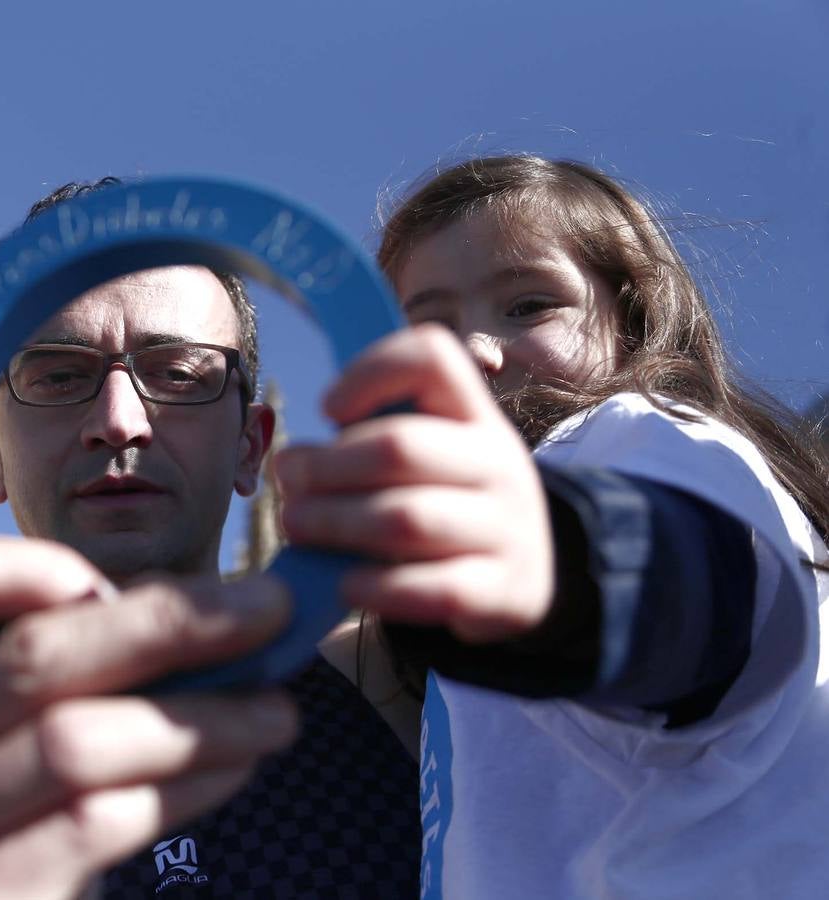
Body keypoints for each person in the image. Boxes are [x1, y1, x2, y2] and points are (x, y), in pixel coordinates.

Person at [0, 179, 421, 900]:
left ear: (252, 447)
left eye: (179, 374)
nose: (119, 420)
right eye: (58, 376)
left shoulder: (409, 697)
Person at [275, 155, 829, 898]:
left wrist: (559, 572)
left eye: (528, 305)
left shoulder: (629, 436)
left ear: (630, 317)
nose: (474, 350)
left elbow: (694, 586)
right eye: (429, 327)